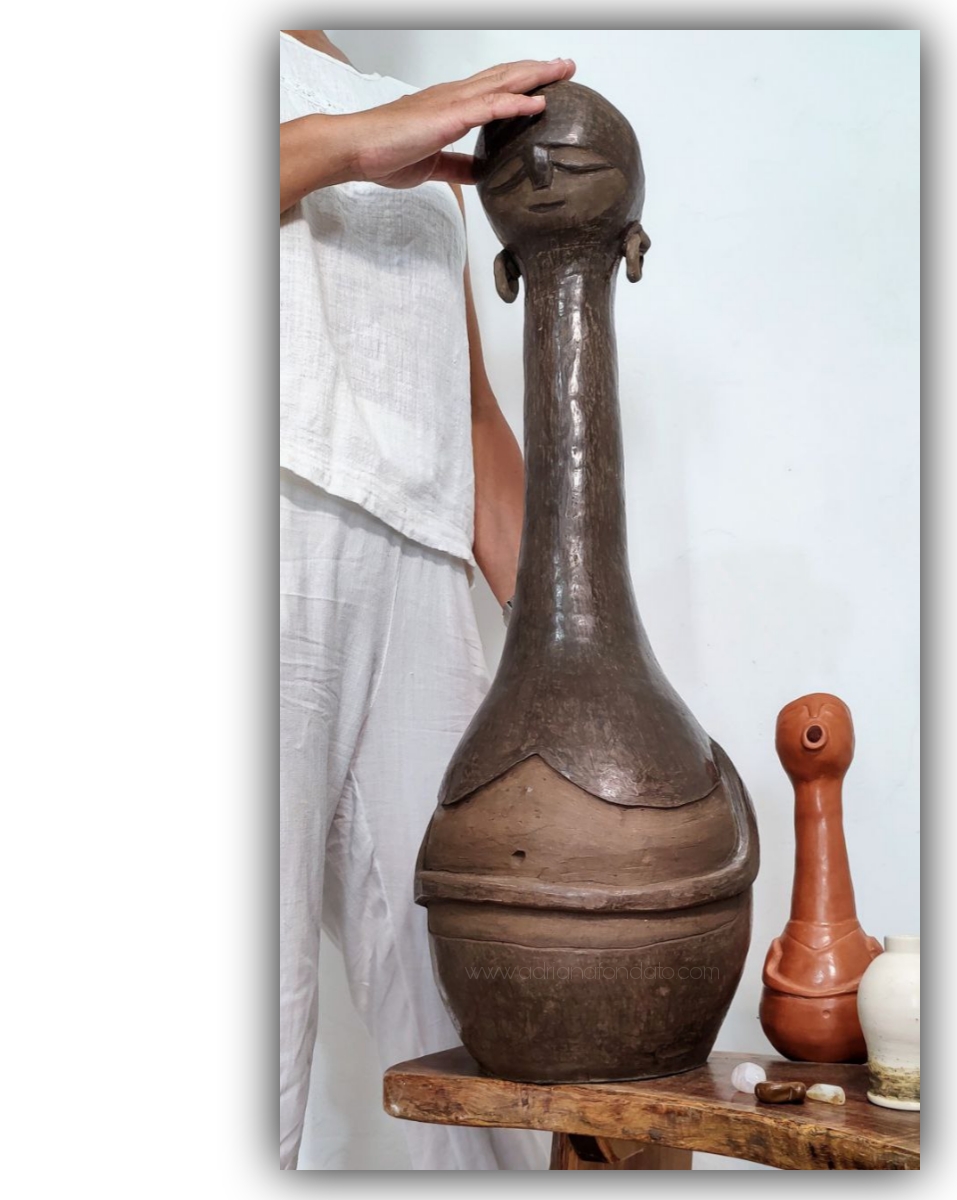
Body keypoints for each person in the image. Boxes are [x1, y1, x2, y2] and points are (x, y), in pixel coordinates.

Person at [279, 30, 575, 1170]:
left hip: (423, 565)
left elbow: (472, 416)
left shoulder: (410, 112)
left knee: (477, 1025)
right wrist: (354, 144)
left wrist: (576, 647)